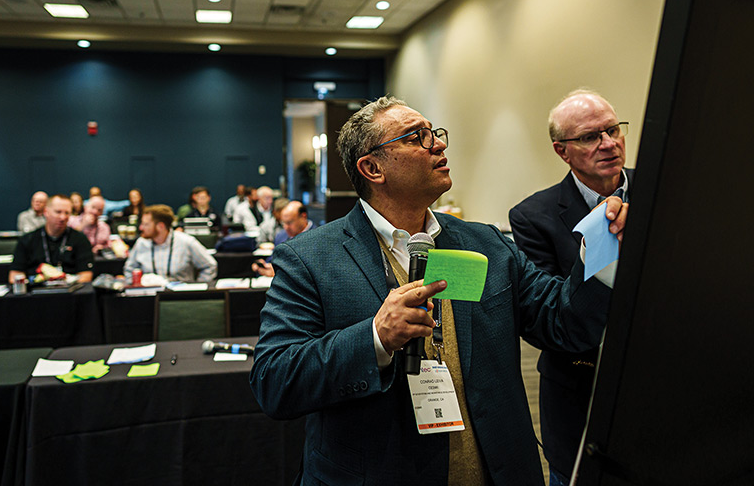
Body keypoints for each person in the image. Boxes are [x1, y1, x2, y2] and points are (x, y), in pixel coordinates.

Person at [250, 96, 627, 485]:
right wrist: (374, 339)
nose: (438, 144)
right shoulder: (309, 259)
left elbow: (564, 322)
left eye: (435, 133)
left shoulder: (486, 243)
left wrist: (600, 247)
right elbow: (275, 381)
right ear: (372, 168)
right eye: (416, 137)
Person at [508, 89, 632, 486]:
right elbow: (550, 319)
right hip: (580, 388)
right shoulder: (533, 216)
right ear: (562, 151)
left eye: (613, 130)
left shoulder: (665, 189)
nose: (609, 144)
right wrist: (598, 242)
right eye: (590, 137)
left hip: (662, 382)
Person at [9, 194, 93, 283]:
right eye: (58, 212)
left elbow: (86, 275)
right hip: (35, 292)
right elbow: (14, 275)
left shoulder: (80, 240)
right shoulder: (28, 240)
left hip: (70, 292)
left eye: (67, 213)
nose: (63, 217)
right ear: (46, 212)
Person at [123, 204, 217, 283]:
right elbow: (129, 270)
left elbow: (210, 266)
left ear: (160, 226)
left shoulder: (186, 242)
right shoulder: (141, 243)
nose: (141, 228)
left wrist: (196, 288)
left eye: (146, 224)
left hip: (178, 298)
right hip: (148, 297)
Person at [251, 201, 314, 278]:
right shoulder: (281, 236)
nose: (286, 227)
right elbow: (273, 260)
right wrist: (264, 266)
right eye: (283, 223)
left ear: (303, 216)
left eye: (289, 222)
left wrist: (280, 274)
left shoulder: (317, 238)